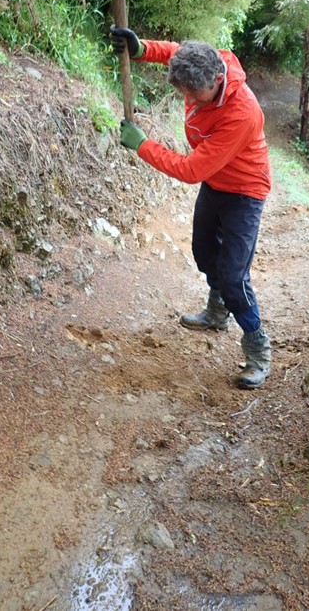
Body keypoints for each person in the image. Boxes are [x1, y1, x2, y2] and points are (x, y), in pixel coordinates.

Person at [109, 25, 272, 389]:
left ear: (217, 80)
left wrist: (143, 145)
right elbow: (172, 51)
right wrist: (140, 49)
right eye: (186, 96)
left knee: (233, 276)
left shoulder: (241, 112)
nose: (192, 103)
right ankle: (217, 312)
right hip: (217, 185)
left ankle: (258, 349)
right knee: (202, 253)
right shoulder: (200, 63)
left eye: (195, 97)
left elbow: (191, 169)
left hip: (245, 192)